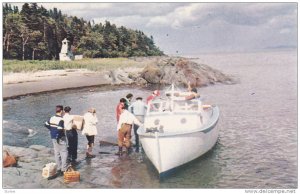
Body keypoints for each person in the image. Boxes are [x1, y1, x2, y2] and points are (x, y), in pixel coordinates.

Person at [45, 105, 68, 176]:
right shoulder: (61, 119)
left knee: (57, 152)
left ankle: (58, 167)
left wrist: (52, 130)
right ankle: (63, 169)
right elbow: (60, 129)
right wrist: (58, 136)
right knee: (64, 152)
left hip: (53, 137)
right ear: (61, 111)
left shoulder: (52, 117)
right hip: (60, 138)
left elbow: (46, 124)